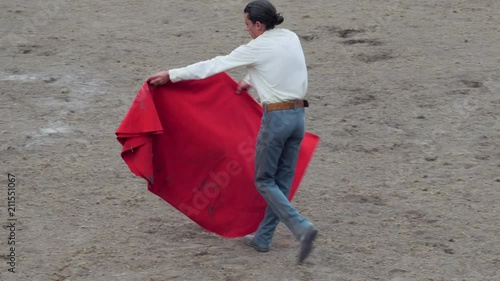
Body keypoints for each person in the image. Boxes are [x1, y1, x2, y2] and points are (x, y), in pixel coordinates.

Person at [148, 0, 318, 264]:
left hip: (276, 120)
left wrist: (172, 75)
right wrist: (252, 80)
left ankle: (301, 226)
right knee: (281, 182)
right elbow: (286, 65)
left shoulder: (256, 47)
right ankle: (263, 238)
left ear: (259, 25)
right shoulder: (290, 37)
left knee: (264, 180)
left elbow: (215, 65)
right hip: (298, 118)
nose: (247, 30)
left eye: (248, 25)